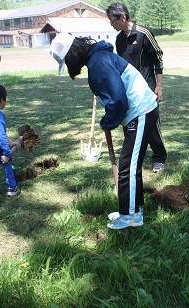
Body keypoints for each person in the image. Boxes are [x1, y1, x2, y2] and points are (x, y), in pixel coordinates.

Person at [50, 33, 159, 229]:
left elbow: (117, 99)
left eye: (67, 60)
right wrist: (108, 120)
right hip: (139, 110)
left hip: (140, 111)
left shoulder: (98, 62)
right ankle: (133, 209)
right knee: (131, 165)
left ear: (73, 52)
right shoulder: (98, 58)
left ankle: (130, 216)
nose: (70, 66)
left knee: (128, 167)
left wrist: (108, 122)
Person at [106, 2, 167, 173]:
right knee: (130, 122)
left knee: (152, 124)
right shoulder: (119, 39)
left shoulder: (143, 34)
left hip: (148, 87)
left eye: (113, 21)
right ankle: (136, 155)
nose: (111, 25)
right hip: (130, 89)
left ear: (123, 17)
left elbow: (158, 59)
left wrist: (159, 86)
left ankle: (160, 158)